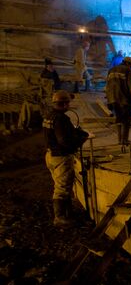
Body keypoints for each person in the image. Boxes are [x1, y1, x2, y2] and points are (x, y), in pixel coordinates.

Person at [43, 90, 89, 228]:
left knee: (61, 185)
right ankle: (60, 218)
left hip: (50, 155)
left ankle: (68, 213)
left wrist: (76, 132)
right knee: (62, 188)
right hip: (61, 157)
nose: (69, 105)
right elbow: (64, 140)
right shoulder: (61, 118)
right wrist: (81, 139)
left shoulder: (49, 116)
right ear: (63, 104)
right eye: (68, 102)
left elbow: (62, 132)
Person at [105, 56, 131, 145]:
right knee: (127, 120)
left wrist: (109, 100)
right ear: (127, 63)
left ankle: (120, 140)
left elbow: (108, 87)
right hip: (124, 100)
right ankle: (125, 140)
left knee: (118, 119)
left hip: (112, 99)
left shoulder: (111, 70)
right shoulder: (128, 71)